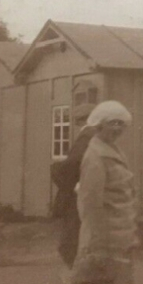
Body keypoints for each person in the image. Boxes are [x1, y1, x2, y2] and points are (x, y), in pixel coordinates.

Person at [69, 100, 139, 284]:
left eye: (122, 124)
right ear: (98, 125)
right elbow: (90, 205)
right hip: (102, 245)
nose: (118, 129)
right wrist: (96, 247)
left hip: (119, 242)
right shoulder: (95, 155)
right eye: (112, 123)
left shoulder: (114, 150)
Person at [50, 103, 97, 269]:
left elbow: (72, 164)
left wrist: (55, 169)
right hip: (92, 193)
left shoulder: (86, 136)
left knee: (72, 240)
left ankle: (80, 274)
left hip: (79, 195)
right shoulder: (99, 136)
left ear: (80, 121)